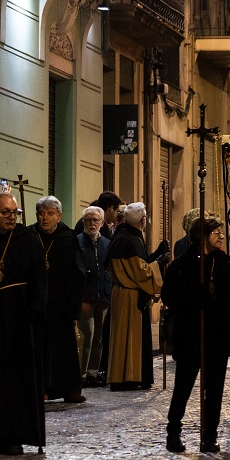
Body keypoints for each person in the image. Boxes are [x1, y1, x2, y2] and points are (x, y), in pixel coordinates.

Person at [163, 216, 230, 453]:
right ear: (201, 236)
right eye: (215, 232)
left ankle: (210, 435)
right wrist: (193, 294)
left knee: (214, 390)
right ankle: (173, 432)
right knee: (183, 387)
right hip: (191, 335)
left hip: (216, 335)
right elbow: (169, 296)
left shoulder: (224, 262)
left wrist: (216, 304)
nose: (220, 236)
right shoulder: (182, 265)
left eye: (220, 232)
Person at [0, 193, 47, 455]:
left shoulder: (27, 239)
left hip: (19, 319)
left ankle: (14, 434)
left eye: (14, 213)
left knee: (16, 380)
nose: (10, 217)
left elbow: (40, 275)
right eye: (5, 212)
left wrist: (36, 309)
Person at [107, 202, 169, 391]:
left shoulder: (125, 236)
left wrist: (156, 255)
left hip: (124, 293)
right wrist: (159, 262)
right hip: (130, 295)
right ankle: (129, 376)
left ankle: (128, 375)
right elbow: (141, 272)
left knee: (126, 337)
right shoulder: (129, 240)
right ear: (142, 220)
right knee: (130, 337)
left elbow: (140, 263)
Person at [33, 196, 86, 403]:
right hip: (38, 304)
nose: (44, 218)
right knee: (40, 349)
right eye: (41, 213)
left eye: (50, 214)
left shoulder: (68, 237)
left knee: (64, 350)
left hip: (61, 305)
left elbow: (77, 274)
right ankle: (41, 388)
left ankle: (69, 389)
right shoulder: (30, 235)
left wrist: (73, 307)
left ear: (59, 216)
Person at [77, 206, 112, 388]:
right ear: (83, 223)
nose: (92, 223)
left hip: (103, 296)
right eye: (88, 220)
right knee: (86, 335)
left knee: (98, 337)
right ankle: (81, 373)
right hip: (86, 297)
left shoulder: (107, 243)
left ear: (102, 223)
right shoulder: (78, 242)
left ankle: (92, 372)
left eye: (95, 220)